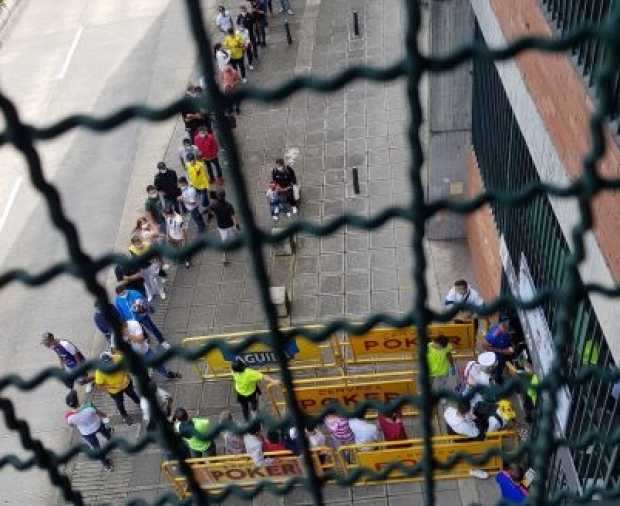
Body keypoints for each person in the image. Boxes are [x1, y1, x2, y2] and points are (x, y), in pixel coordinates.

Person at [82, 351, 141, 425]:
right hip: (115, 391)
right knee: (119, 403)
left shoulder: (118, 358)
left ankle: (140, 403)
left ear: (112, 358)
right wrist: (110, 388)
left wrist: (127, 373)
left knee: (133, 394)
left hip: (127, 384)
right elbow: (100, 385)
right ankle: (124, 415)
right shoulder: (99, 372)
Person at [64, 390, 113, 471]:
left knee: (96, 447)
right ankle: (110, 440)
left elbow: (71, 425)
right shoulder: (89, 407)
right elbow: (98, 412)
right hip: (97, 425)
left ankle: (106, 465)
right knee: (105, 432)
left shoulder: (69, 417)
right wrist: (105, 416)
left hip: (86, 432)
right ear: (78, 400)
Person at [209, 190, 240, 265]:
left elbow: (211, 212)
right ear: (225, 196)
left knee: (224, 240)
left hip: (221, 226)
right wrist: (237, 225)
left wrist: (216, 215)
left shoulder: (214, 205)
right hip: (229, 225)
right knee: (233, 235)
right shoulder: (229, 205)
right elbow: (233, 216)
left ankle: (224, 257)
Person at [482, 318, 514, 384]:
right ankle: (498, 380)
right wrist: (502, 351)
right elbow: (484, 345)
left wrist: (510, 346)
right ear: (504, 328)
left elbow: (508, 338)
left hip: (505, 353)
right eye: (508, 330)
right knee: (498, 371)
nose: (509, 332)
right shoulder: (493, 336)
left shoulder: (503, 330)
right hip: (498, 358)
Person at [163, 205, 190, 269]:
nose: (164, 216)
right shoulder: (167, 217)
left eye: (165, 214)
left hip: (179, 238)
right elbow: (168, 226)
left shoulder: (179, 219)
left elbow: (184, 230)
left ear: (169, 213)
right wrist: (168, 235)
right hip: (171, 237)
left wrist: (184, 240)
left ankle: (187, 260)